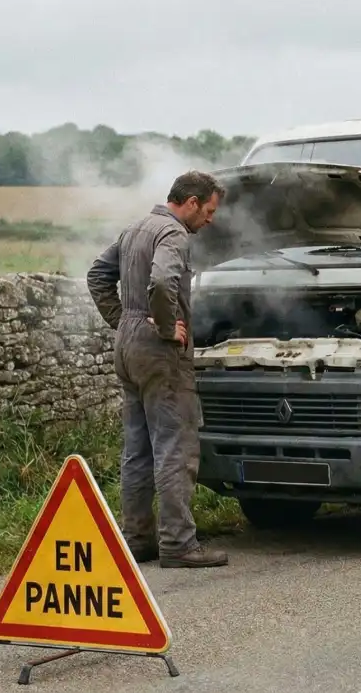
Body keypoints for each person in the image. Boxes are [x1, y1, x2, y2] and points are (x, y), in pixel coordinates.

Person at [87, 170, 229, 568]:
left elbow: (97, 275)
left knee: (137, 449)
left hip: (128, 346)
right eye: (209, 211)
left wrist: (125, 321)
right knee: (175, 446)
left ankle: (136, 540)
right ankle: (179, 544)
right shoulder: (173, 234)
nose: (211, 220)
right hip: (160, 351)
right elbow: (164, 282)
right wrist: (167, 328)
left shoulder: (135, 228)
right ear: (191, 202)